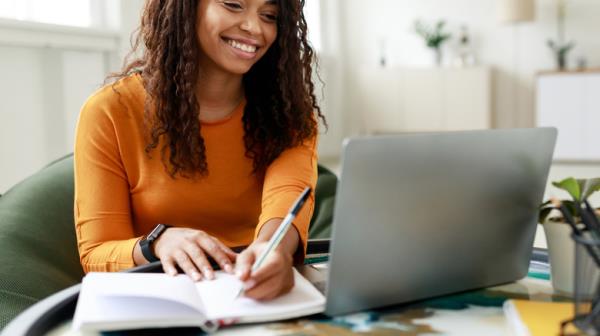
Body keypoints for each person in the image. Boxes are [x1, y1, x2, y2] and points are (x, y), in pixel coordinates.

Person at [74, 0, 326, 301]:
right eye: (233, 5)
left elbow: (286, 195)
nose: (254, 28)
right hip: (159, 298)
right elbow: (95, 254)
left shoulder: (289, 114)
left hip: (252, 293)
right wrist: (157, 243)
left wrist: (273, 251)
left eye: (269, 15)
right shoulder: (110, 112)